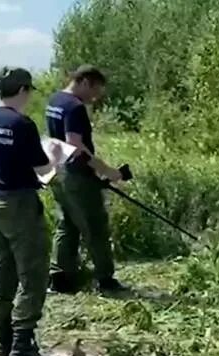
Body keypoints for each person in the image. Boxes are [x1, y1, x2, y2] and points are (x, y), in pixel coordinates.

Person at [0, 66, 65, 356]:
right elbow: (43, 169)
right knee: (33, 273)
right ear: (24, 90)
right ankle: (23, 349)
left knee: (3, 270)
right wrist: (55, 154)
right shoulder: (21, 123)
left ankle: (4, 342)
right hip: (19, 205)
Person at [45, 64, 129, 295]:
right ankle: (105, 280)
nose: (94, 99)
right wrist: (105, 170)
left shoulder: (55, 100)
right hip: (77, 174)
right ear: (84, 82)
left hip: (57, 171)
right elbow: (75, 144)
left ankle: (59, 278)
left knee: (68, 225)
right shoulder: (74, 107)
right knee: (96, 227)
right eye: (94, 92)